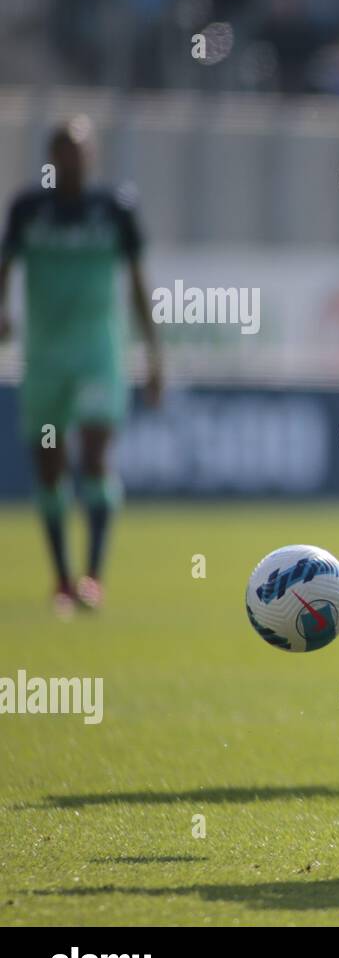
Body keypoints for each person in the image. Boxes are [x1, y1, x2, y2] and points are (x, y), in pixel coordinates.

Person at [0, 116, 160, 617]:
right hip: (44, 359)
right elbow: (4, 269)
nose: (72, 158)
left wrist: (154, 356)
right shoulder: (29, 209)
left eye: (80, 148)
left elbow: (137, 283)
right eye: (63, 149)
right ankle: (62, 580)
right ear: (51, 156)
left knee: (94, 458)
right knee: (50, 468)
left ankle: (94, 576)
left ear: (92, 155)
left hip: (98, 356)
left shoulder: (114, 209)